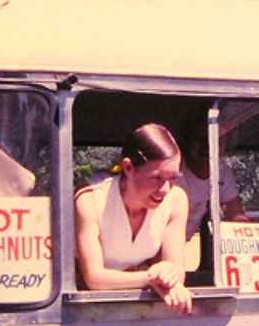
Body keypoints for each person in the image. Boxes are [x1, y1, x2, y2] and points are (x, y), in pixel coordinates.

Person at [73, 123, 193, 314]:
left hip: (136, 306)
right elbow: (94, 278)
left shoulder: (177, 200)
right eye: (156, 178)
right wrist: (152, 279)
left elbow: (177, 268)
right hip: (85, 308)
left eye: (172, 178)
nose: (165, 190)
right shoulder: (89, 200)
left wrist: (171, 278)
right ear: (128, 167)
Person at [177, 113, 248, 240]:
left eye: (216, 140)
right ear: (188, 141)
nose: (208, 146)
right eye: (201, 139)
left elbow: (236, 214)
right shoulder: (174, 170)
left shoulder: (223, 171)